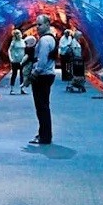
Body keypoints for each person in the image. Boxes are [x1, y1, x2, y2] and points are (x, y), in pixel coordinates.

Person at [28, 14, 57, 144]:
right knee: (44, 107)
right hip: (48, 75)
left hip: (42, 76)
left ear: (47, 24)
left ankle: (44, 136)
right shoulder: (51, 39)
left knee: (41, 108)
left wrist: (34, 73)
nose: (37, 27)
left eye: (40, 24)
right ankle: (44, 134)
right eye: (36, 24)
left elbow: (42, 60)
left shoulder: (45, 40)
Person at [7, 28, 27, 93]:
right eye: (17, 34)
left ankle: (22, 89)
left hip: (22, 60)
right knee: (14, 74)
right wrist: (11, 58)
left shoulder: (23, 41)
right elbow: (9, 50)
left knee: (22, 74)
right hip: (15, 60)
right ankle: (12, 89)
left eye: (20, 34)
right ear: (15, 35)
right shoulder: (13, 42)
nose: (19, 35)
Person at [21, 28, 37, 94]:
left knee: (27, 74)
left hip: (28, 63)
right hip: (29, 63)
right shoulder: (31, 49)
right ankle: (24, 84)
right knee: (27, 74)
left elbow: (26, 56)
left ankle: (25, 84)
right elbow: (27, 56)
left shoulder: (28, 48)